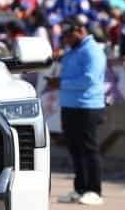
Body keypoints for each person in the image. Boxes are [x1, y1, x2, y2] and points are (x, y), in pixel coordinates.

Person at [52, 14, 106, 206]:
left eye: (68, 36)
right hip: (70, 106)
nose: (66, 40)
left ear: (80, 30)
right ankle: (80, 188)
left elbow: (89, 80)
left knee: (89, 149)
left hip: (87, 107)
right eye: (64, 37)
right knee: (75, 149)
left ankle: (95, 190)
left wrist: (61, 83)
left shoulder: (92, 51)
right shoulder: (72, 50)